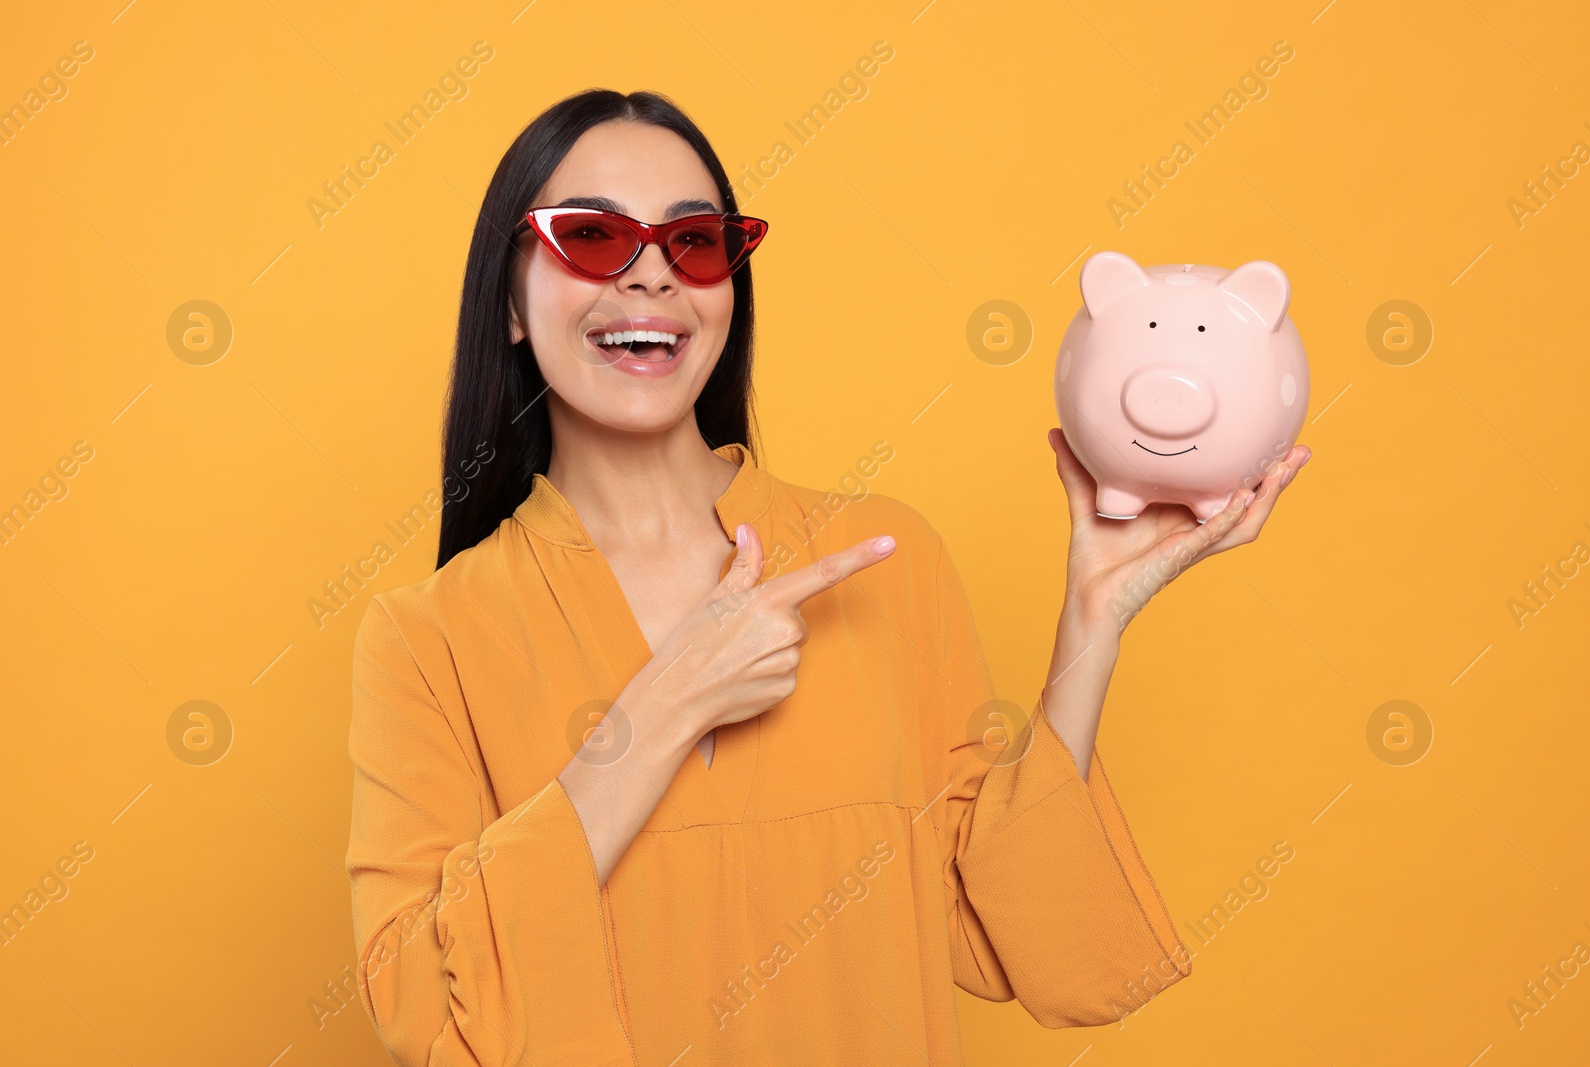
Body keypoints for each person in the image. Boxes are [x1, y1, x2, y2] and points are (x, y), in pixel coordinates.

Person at [345, 87, 1309, 1067]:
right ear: (508, 301)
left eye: (695, 243)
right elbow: (422, 1001)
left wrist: (1092, 622)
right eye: (591, 236)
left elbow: (1016, 930)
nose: (649, 278)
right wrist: (669, 703)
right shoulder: (427, 637)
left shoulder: (883, 558)